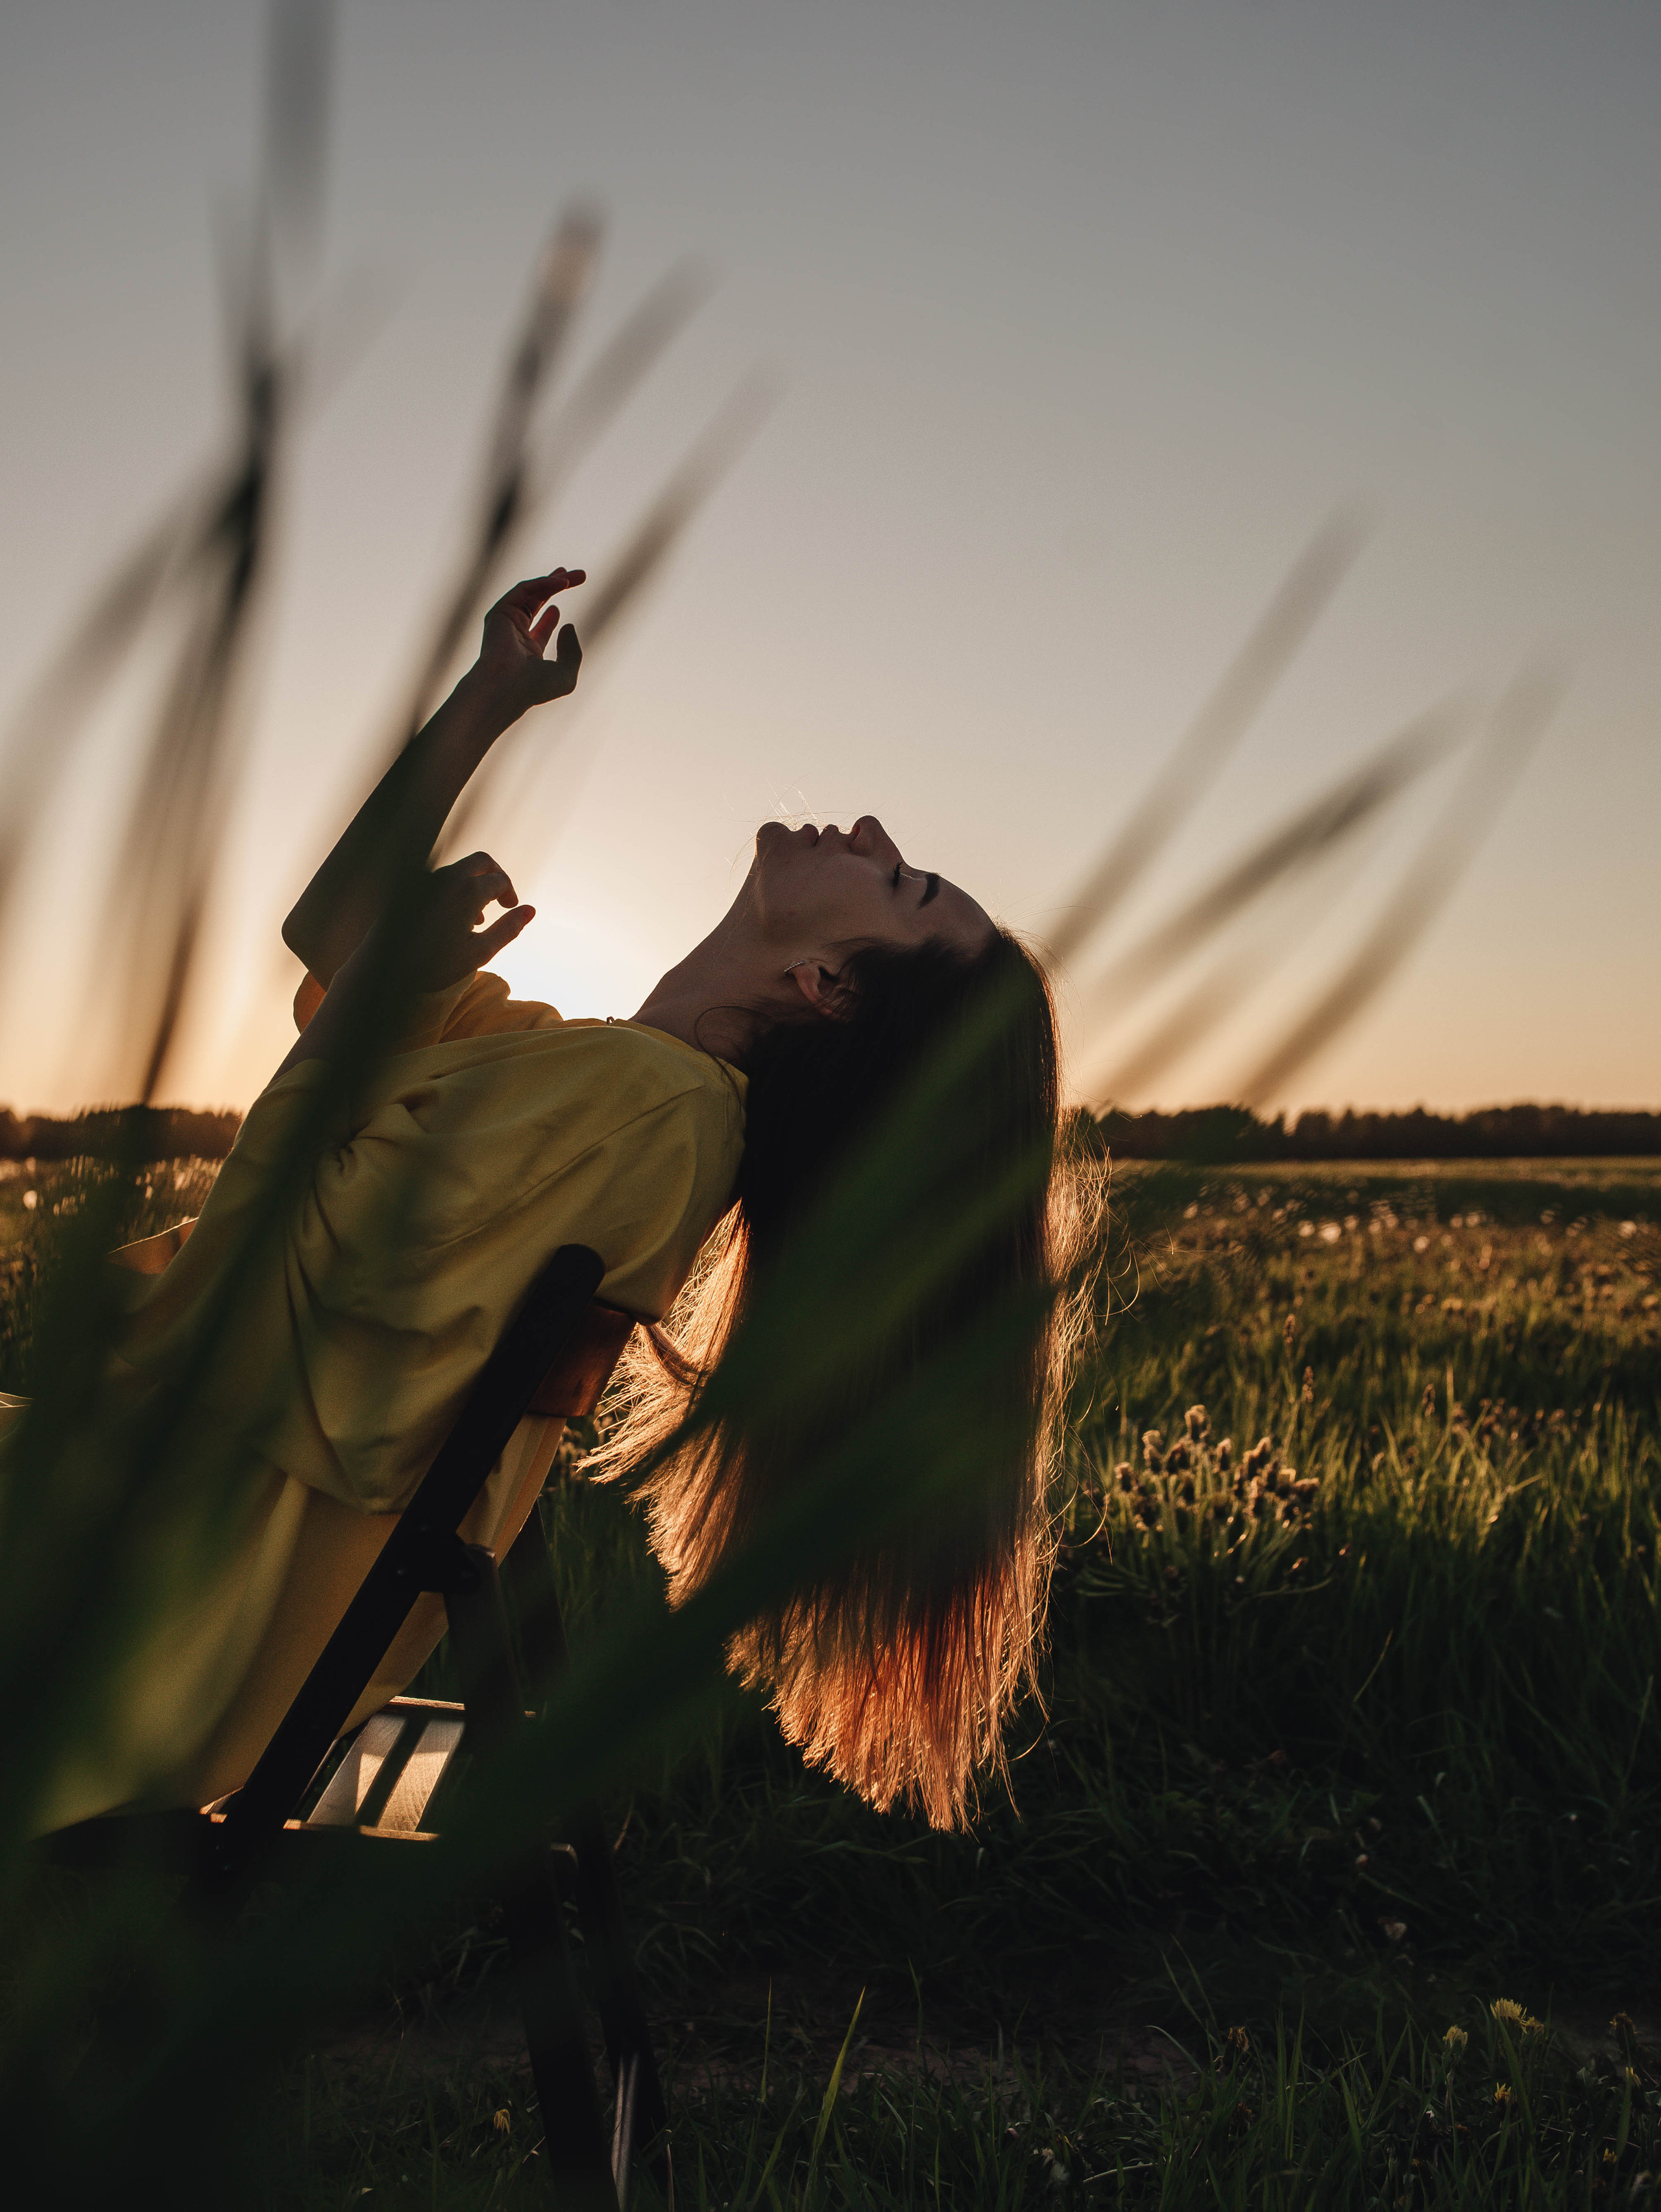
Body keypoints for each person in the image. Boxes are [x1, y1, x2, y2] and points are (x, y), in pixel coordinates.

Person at [33, 570, 1071, 1834]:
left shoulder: (641, 1111)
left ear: (830, 989)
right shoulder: (591, 1083)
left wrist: (368, 1010)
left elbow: (248, 1295)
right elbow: (332, 941)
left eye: (901, 886)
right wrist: (487, 703)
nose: (867, 830)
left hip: (117, 1621)